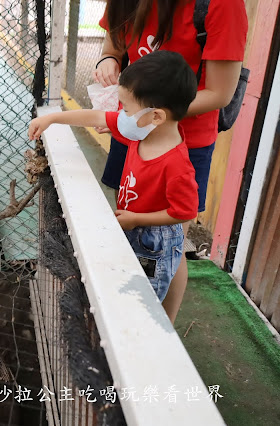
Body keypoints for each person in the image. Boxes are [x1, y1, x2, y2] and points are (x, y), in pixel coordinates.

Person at [92, 0, 248, 323]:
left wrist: (150, 114)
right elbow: (114, 42)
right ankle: (118, 309)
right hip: (136, 127)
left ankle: (164, 329)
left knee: (169, 245)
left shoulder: (221, 5)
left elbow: (219, 93)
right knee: (127, 221)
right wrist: (108, 59)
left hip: (182, 141)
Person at [29, 51, 199, 303]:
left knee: (144, 297)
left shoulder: (176, 165)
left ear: (157, 116)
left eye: (127, 109)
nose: (121, 115)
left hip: (155, 244)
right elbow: (95, 116)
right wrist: (53, 118)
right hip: (131, 223)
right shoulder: (142, 131)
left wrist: (136, 219)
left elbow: (184, 213)